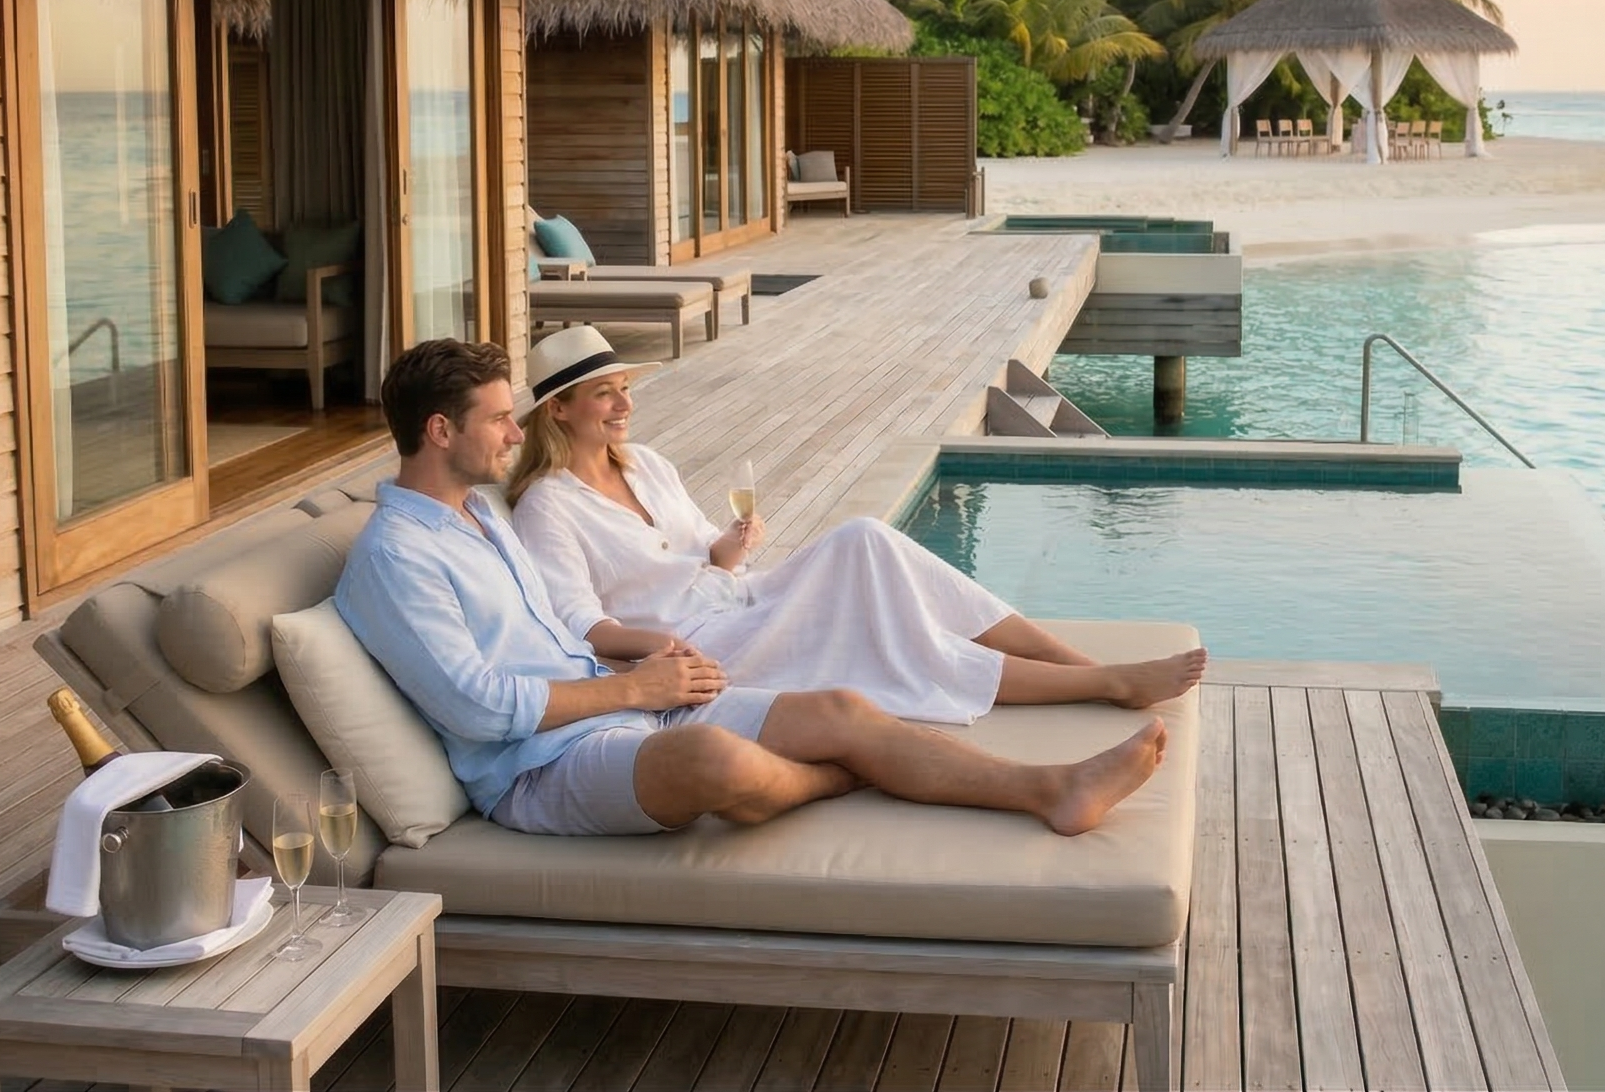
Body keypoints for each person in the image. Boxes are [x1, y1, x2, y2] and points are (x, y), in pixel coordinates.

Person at [334, 338, 1166, 838]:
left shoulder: (479, 516)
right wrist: (637, 682)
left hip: (631, 699)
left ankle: (1053, 789)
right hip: (541, 769)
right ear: (441, 432)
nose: (516, 433)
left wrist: (646, 685)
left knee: (840, 706)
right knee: (711, 756)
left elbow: (563, 625)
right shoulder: (397, 558)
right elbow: (478, 707)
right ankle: (836, 776)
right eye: (498, 420)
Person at [502, 326, 1207, 726]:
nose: (623, 404)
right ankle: (1103, 685)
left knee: (863, 536)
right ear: (558, 411)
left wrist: (731, 546)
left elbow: (705, 554)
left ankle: (1084, 666)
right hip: (705, 648)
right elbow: (577, 623)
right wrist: (657, 639)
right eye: (604, 394)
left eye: (624, 388)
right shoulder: (548, 506)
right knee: (889, 633)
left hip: (742, 601)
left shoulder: (646, 464)